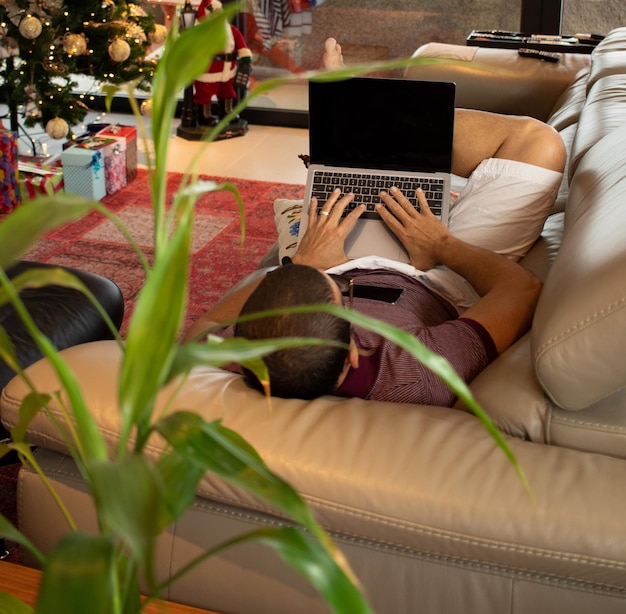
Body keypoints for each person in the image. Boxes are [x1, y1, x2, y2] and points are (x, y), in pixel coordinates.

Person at [183, 38, 566, 407]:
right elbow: (522, 290)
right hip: (438, 278)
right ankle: (359, 111)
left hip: (330, 255)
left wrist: (308, 265)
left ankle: (354, 113)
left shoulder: (236, 356)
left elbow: (203, 327)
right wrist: (442, 246)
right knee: (538, 142)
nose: (343, 287)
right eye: (340, 294)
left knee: (350, 174)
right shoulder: (420, 371)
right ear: (352, 355)